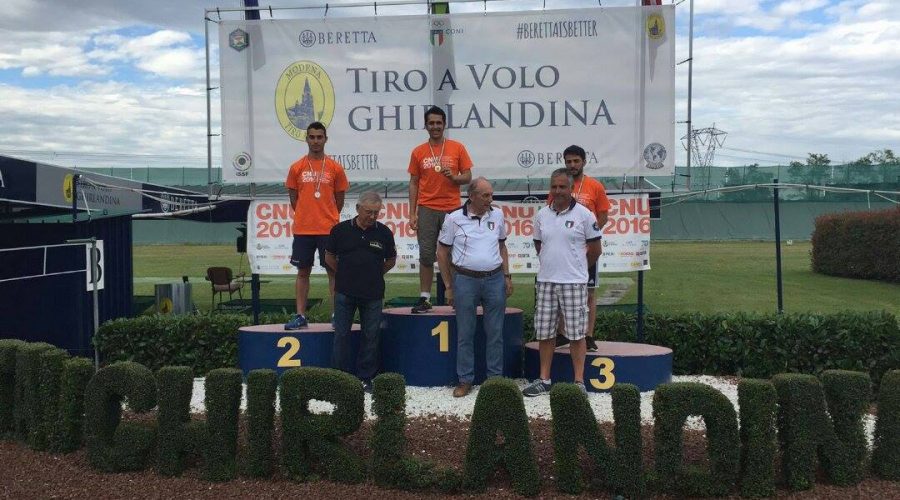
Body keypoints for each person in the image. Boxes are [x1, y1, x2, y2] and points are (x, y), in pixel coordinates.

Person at [523, 168, 602, 397]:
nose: (558, 191)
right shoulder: (541, 216)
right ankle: (544, 380)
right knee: (546, 333)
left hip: (574, 283)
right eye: (554, 187)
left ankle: (579, 382)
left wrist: (577, 269)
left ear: (571, 188)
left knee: (577, 334)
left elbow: (595, 250)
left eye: (562, 187)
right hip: (546, 281)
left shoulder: (585, 215)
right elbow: (540, 246)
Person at [436, 177, 513, 397]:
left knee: (496, 332)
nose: (491, 199)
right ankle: (465, 380)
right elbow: (442, 253)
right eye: (486, 195)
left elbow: (502, 246)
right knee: (465, 333)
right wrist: (449, 285)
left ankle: (495, 381)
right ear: (471, 196)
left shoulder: (497, 214)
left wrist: (507, 276)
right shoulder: (453, 219)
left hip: (494, 278)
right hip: (465, 280)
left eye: (491, 195)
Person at [325, 192, 396, 390]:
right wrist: (345, 274)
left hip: (373, 294)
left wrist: (374, 273)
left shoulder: (384, 232)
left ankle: (366, 377)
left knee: (371, 336)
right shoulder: (339, 230)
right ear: (357, 209)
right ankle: (339, 378)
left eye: (376, 212)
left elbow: (391, 260)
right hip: (344, 293)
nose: (372, 216)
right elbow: (329, 257)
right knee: (341, 335)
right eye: (368, 212)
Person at [407, 106, 473, 313]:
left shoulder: (457, 147)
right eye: (431, 123)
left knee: (455, 254)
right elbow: (414, 182)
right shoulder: (418, 151)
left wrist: (454, 177)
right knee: (426, 255)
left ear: (444, 124)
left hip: (452, 208)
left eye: (438, 123)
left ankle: (457, 296)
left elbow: (468, 176)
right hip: (427, 207)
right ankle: (425, 298)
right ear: (426, 126)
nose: (435, 126)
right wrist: (412, 212)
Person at [284, 122, 349, 330]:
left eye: (319, 137)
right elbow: (294, 198)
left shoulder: (335, 168)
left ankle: (336, 315)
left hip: (328, 229)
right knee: (303, 272)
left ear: (325, 139)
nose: (315, 141)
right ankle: (301, 315)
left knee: (333, 272)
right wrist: (306, 214)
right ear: (306, 139)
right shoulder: (296, 167)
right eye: (311, 137)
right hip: (303, 229)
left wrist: (328, 216)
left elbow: (339, 199)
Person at [548, 145, 610, 351]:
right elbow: (551, 211)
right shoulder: (559, 185)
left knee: (588, 293)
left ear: (584, 162)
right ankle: (562, 333)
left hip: (586, 249)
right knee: (561, 291)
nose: (572, 165)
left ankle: (588, 335)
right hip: (565, 249)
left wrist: (589, 236)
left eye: (576, 161)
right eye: (568, 162)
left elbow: (603, 215)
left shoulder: (595, 186)